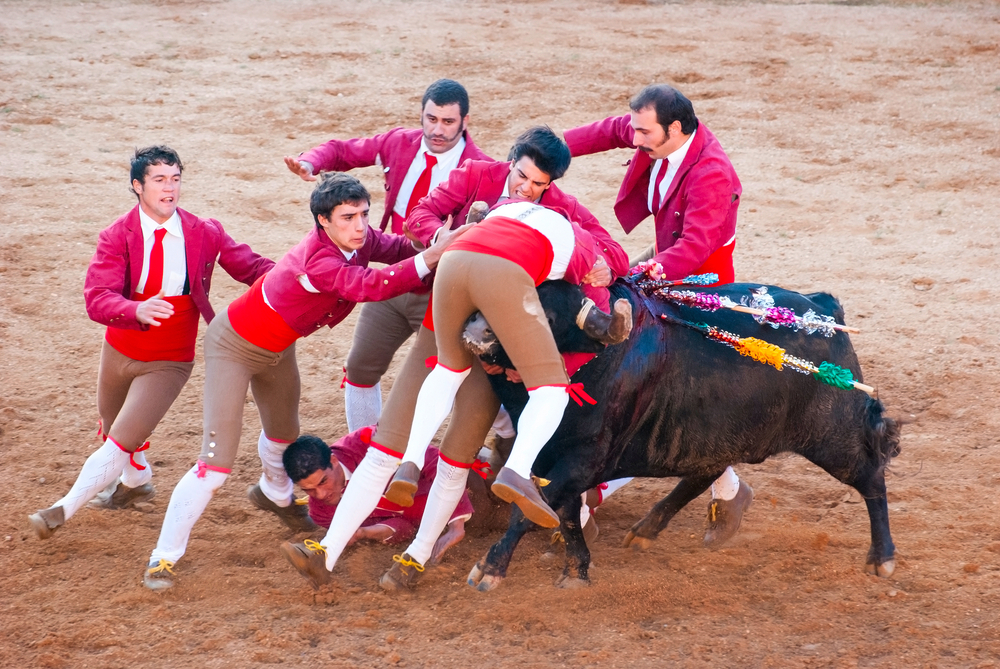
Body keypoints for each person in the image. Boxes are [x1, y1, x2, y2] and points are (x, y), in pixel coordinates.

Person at [279, 129, 630, 592]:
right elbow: (419, 215)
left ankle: (415, 556)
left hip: (480, 334)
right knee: (391, 442)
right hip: (463, 324)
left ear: (551, 185)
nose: (527, 189)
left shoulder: (558, 204)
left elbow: (612, 252)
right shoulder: (478, 176)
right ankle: (329, 550)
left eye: (538, 185)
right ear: (509, 161)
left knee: (453, 455)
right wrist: (442, 238)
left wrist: (607, 263)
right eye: (522, 176)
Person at [141, 172, 468, 590]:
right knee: (216, 466)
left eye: (364, 215)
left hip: (277, 349)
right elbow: (372, 285)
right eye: (348, 217)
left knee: (284, 437)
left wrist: (441, 243)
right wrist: (438, 253)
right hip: (234, 346)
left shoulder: (355, 240)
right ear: (323, 221)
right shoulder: (321, 259)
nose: (360, 226)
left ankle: (274, 493)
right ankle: (162, 558)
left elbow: (399, 248)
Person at [28, 146, 273, 540]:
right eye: (159, 180)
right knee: (112, 428)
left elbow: (253, 267)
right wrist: (134, 310)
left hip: (170, 358)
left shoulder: (203, 232)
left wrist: (298, 276)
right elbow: (96, 297)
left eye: (175, 179)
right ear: (137, 186)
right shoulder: (116, 235)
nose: (170, 188)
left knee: (119, 440)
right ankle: (137, 480)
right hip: (119, 349)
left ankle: (61, 509)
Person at [563, 84, 752, 547]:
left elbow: (695, 248)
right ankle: (726, 489)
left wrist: (639, 270)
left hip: (699, 279)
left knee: (674, 393)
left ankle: (603, 481)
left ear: (676, 128)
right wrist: (546, 152)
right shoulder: (656, 134)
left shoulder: (712, 173)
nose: (635, 138)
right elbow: (607, 131)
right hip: (667, 257)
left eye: (645, 132)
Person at [285, 79, 492, 432]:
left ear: (465, 122)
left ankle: (505, 444)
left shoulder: (480, 169)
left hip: (444, 292)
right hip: (393, 279)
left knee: (467, 383)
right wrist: (310, 162)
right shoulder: (399, 143)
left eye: (447, 122)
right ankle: (360, 450)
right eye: (431, 119)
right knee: (361, 367)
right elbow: (343, 150)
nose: (437, 130)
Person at [279, 429, 473, 588]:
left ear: (334, 461)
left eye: (323, 482)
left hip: (467, 486)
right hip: (431, 519)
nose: (321, 495)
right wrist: (364, 533)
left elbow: (436, 462)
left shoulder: (369, 442)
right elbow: (404, 526)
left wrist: (456, 523)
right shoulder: (321, 512)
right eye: (309, 490)